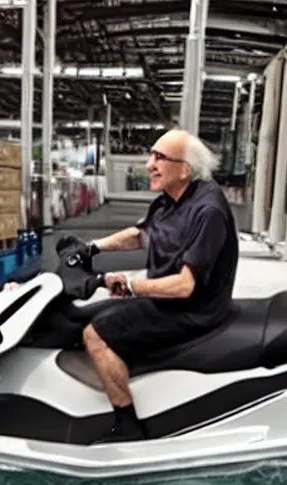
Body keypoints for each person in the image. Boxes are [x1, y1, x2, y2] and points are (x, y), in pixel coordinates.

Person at [82, 128, 239, 444]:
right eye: (151, 155)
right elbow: (140, 235)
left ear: (184, 168)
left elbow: (184, 287)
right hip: (168, 300)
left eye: (159, 158)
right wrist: (91, 248)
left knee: (93, 334)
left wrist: (131, 285)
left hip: (193, 310)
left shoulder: (207, 210)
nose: (148, 165)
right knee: (79, 313)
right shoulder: (170, 200)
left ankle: (128, 425)